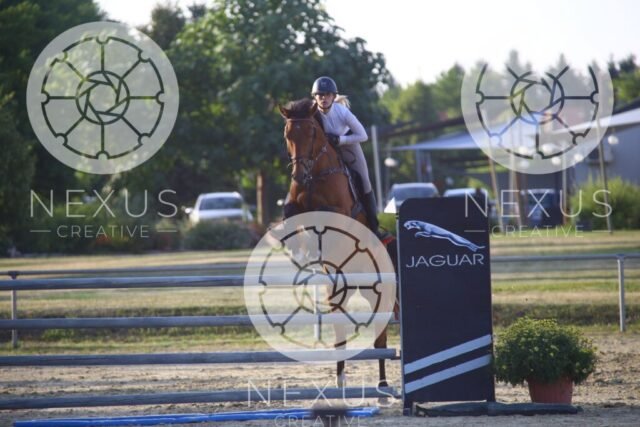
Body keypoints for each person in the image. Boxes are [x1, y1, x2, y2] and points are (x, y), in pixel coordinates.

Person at [311, 76, 387, 239]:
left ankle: (374, 227)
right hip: (324, 149)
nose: (323, 98)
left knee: (365, 181)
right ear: (315, 97)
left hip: (348, 145)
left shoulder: (342, 112)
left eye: (327, 94)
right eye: (320, 95)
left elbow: (363, 135)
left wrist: (341, 140)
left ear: (333, 96)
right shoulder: (311, 112)